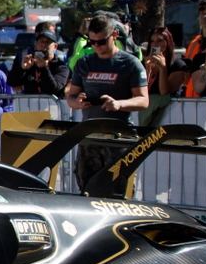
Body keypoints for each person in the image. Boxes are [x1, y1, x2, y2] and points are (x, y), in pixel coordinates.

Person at [62, 15, 150, 196]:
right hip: (89, 137)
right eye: (91, 42)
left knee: (119, 191)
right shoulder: (84, 63)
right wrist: (77, 102)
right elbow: (70, 96)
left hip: (118, 138)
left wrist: (119, 104)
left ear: (114, 36)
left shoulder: (130, 63)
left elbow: (143, 100)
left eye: (101, 42)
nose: (96, 47)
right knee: (86, 189)